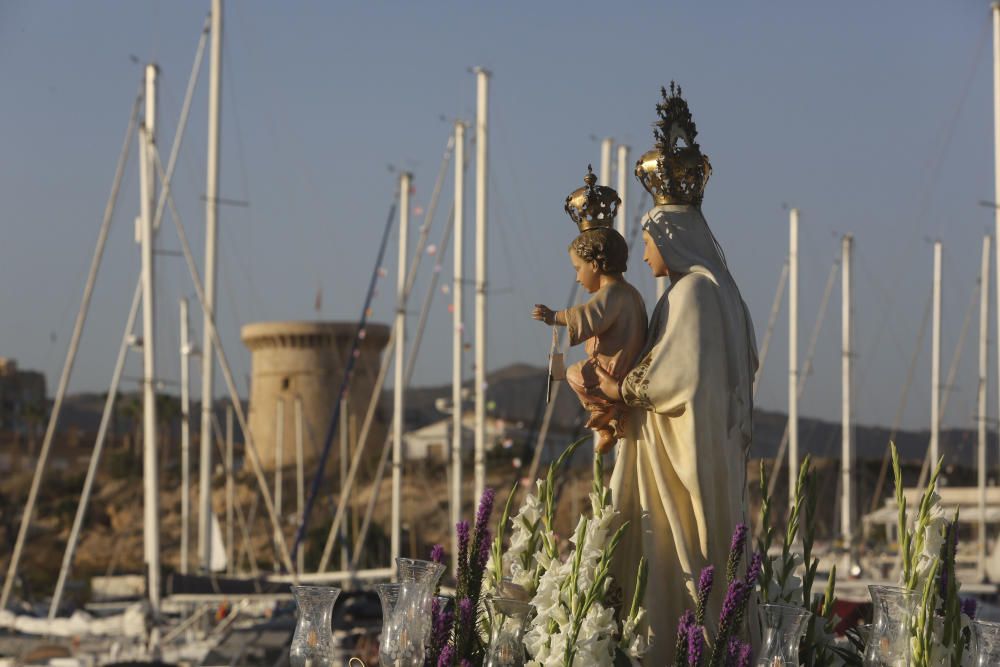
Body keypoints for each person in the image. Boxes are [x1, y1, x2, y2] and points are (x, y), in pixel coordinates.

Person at [592, 203, 758, 663]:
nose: (643, 256)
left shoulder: (692, 294)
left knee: (672, 552)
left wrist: (618, 386)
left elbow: (679, 375)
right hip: (690, 446)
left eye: (646, 243)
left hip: (678, 459)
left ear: (671, 239)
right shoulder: (716, 294)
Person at [532, 226, 647, 454]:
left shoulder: (612, 293)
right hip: (628, 366)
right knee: (577, 374)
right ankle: (608, 423)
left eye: (578, 269)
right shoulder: (630, 293)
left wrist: (554, 316)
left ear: (594, 265)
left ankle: (605, 413)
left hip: (614, 369)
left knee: (575, 374)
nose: (577, 278)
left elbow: (588, 316)